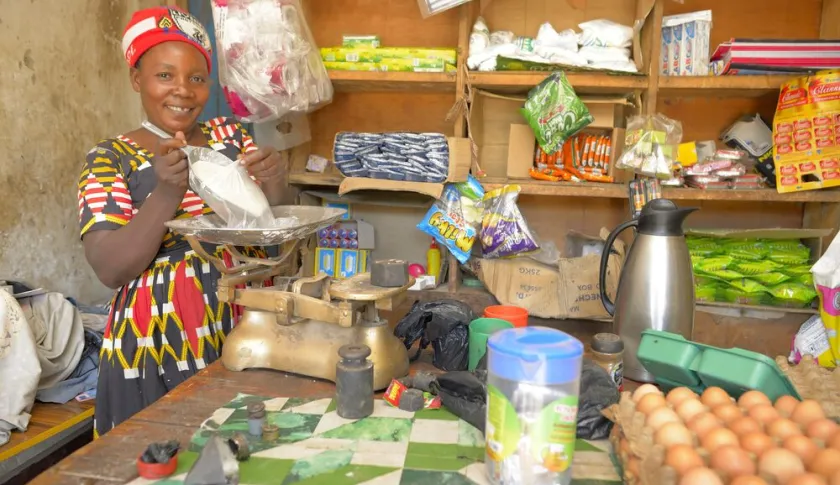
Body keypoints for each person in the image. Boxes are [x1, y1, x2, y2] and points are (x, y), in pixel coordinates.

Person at [77, 6, 287, 437]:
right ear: (137, 79)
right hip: (161, 334)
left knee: (248, 448)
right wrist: (167, 193)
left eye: (196, 78)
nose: (183, 91)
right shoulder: (110, 158)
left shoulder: (231, 138)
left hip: (245, 316)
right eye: (165, 75)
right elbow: (110, 267)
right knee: (167, 452)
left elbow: (266, 235)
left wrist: (275, 183)